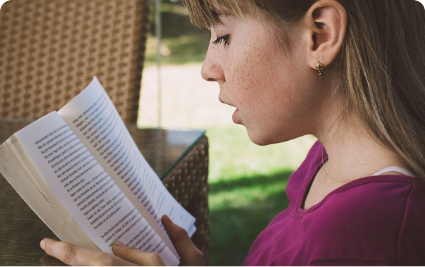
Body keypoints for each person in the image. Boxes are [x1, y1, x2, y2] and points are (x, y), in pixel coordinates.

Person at [40, 0, 425, 265]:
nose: (207, 68)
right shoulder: (327, 161)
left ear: (320, 35)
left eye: (222, 35)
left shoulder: (356, 241)